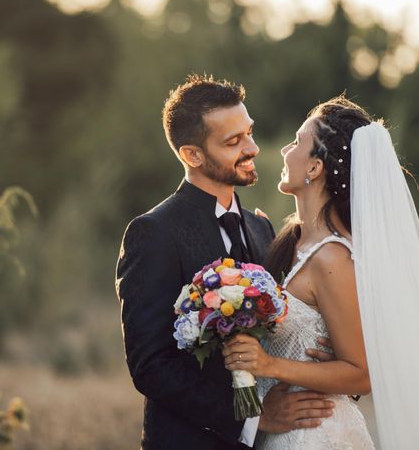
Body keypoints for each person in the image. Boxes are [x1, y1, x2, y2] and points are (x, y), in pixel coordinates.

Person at [223, 96, 419, 449]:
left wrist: (270, 365)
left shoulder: (332, 258)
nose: (285, 149)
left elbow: (360, 374)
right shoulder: (290, 242)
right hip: (283, 431)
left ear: (315, 168)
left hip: (315, 435)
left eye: (297, 142)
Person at [116, 74, 336, 450]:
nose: (251, 147)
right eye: (233, 141)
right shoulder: (153, 232)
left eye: (248, 132)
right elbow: (150, 366)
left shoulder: (262, 227)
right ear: (192, 155)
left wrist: (317, 351)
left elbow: (284, 322)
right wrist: (253, 417)